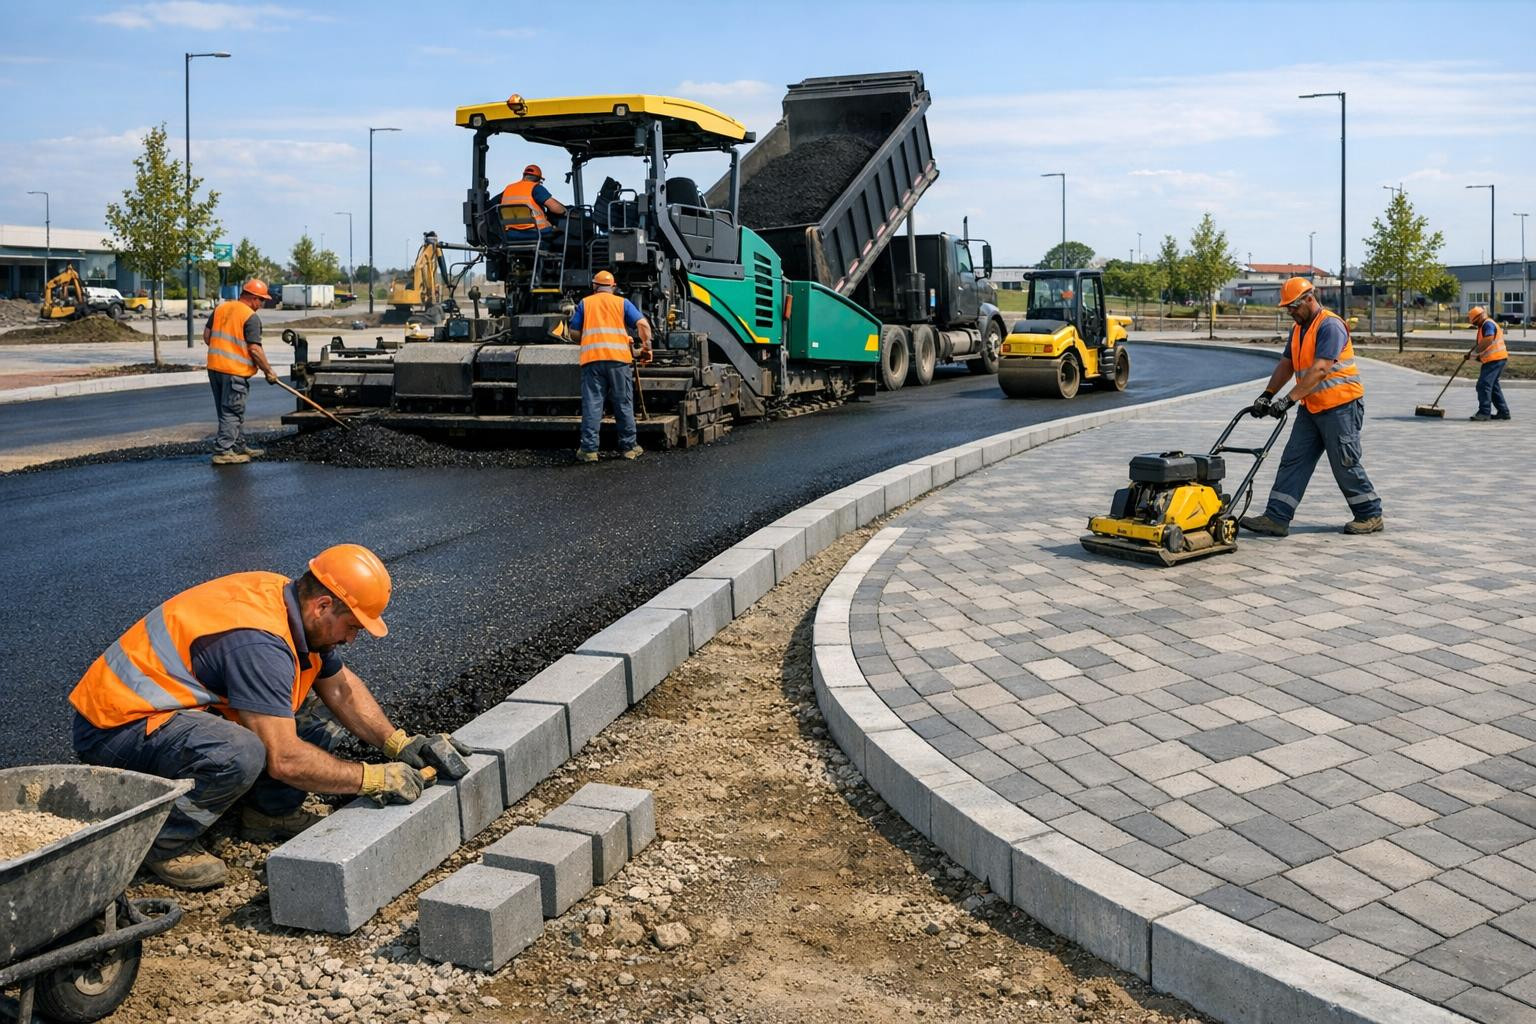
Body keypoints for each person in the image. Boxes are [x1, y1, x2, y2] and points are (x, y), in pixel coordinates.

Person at [68, 544, 473, 890]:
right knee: (239, 752)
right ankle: (163, 842)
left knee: (315, 712)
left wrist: (397, 743)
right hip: (119, 727)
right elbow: (286, 758)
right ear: (323, 605)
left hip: (172, 707)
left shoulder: (291, 602)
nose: (353, 638)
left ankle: (269, 813)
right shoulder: (259, 643)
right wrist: (371, 778)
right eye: (352, 626)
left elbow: (339, 688)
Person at [1239, 277, 1384, 537]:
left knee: (1344, 462)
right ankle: (1276, 517)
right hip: (1312, 407)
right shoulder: (1297, 330)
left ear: (1309, 298)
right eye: (1287, 308)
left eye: (1293, 306)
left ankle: (1370, 513)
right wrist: (1267, 394)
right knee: (1293, 459)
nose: (1290, 312)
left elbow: (1320, 369)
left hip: (1341, 406)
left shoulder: (1330, 325)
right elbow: (1286, 364)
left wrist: (1288, 399)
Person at [569, 270, 652, 462]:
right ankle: (629, 448)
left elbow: (574, 332)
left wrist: (589, 339)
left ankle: (589, 450)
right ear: (613, 287)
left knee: (592, 404)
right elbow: (643, 325)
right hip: (619, 361)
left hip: (593, 360)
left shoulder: (585, 303)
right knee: (623, 403)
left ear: (594, 286)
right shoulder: (622, 303)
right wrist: (647, 347)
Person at [204, 279, 279, 466]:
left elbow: (207, 336)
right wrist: (268, 371)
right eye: (261, 301)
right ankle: (223, 451)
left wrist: (224, 350)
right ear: (253, 298)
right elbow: (254, 349)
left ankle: (238, 445)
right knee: (232, 411)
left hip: (215, 368)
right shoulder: (250, 317)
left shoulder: (221, 308)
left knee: (227, 410)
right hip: (234, 372)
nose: (262, 305)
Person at [499, 163, 567, 242]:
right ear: (538, 180)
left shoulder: (508, 189)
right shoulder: (536, 188)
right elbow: (556, 209)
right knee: (562, 233)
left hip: (510, 234)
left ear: (523, 176)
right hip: (536, 233)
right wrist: (566, 212)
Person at [1467, 306, 1511, 421]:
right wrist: (1475, 356)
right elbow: (1486, 345)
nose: (1475, 324)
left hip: (1495, 359)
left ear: (1480, 317)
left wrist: (1475, 353)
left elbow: (1488, 339)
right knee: (1493, 386)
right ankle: (1503, 412)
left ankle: (1484, 412)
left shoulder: (1488, 324)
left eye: (1475, 322)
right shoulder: (1484, 325)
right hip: (1494, 359)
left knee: (1483, 385)